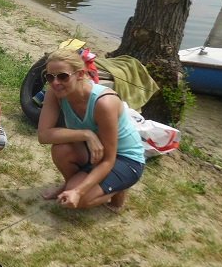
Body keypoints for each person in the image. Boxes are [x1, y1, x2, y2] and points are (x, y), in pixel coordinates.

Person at [37, 48, 145, 210]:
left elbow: (109, 160)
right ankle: (71, 186)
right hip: (94, 150)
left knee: (81, 200)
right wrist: (86, 134)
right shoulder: (55, 93)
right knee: (61, 150)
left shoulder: (104, 103)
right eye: (50, 77)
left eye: (63, 76)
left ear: (80, 74)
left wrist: (78, 192)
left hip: (125, 158)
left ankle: (118, 190)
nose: (55, 82)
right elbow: (44, 135)